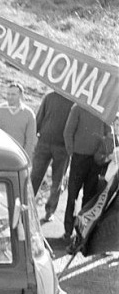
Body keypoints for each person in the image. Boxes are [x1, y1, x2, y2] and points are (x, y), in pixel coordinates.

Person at [62, 105, 115, 240]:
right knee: (72, 195)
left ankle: (82, 232)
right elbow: (68, 131)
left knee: (89, 197)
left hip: (96, 159)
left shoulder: (103, 109)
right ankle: (68, 230)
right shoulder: (78, 108)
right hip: (79, 157)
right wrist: (71, 152)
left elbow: (109, 132)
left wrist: (103, 151)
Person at [31, 91, 74, 223]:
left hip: (62, 148)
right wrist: (35, 137)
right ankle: (27, 208)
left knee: (57, 181)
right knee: (35, 177)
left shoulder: (75, 102)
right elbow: (39, 118)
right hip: (44, 142)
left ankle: (50, 211)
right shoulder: (50, 97)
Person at [0, 82, 36, 157]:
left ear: (20, 96)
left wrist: (26, 157)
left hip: (19, 156)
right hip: (0, 153)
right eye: (8, 94)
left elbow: (30, 140)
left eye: (13, 94)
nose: (10, 97)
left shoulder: (29, 114)